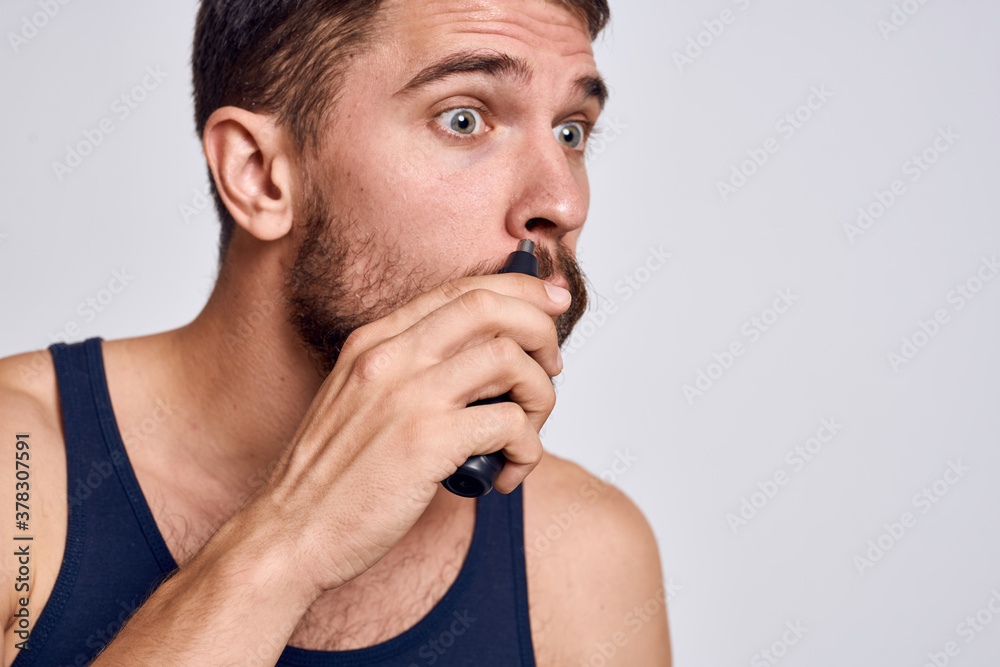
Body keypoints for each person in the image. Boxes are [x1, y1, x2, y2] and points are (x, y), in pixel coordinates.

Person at [0, 0, 672, 664]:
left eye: (571, 131)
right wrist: (290, 541)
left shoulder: (585, 554)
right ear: (260, 176)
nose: (563, 201)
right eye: (464, 118)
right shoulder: (18, 474)